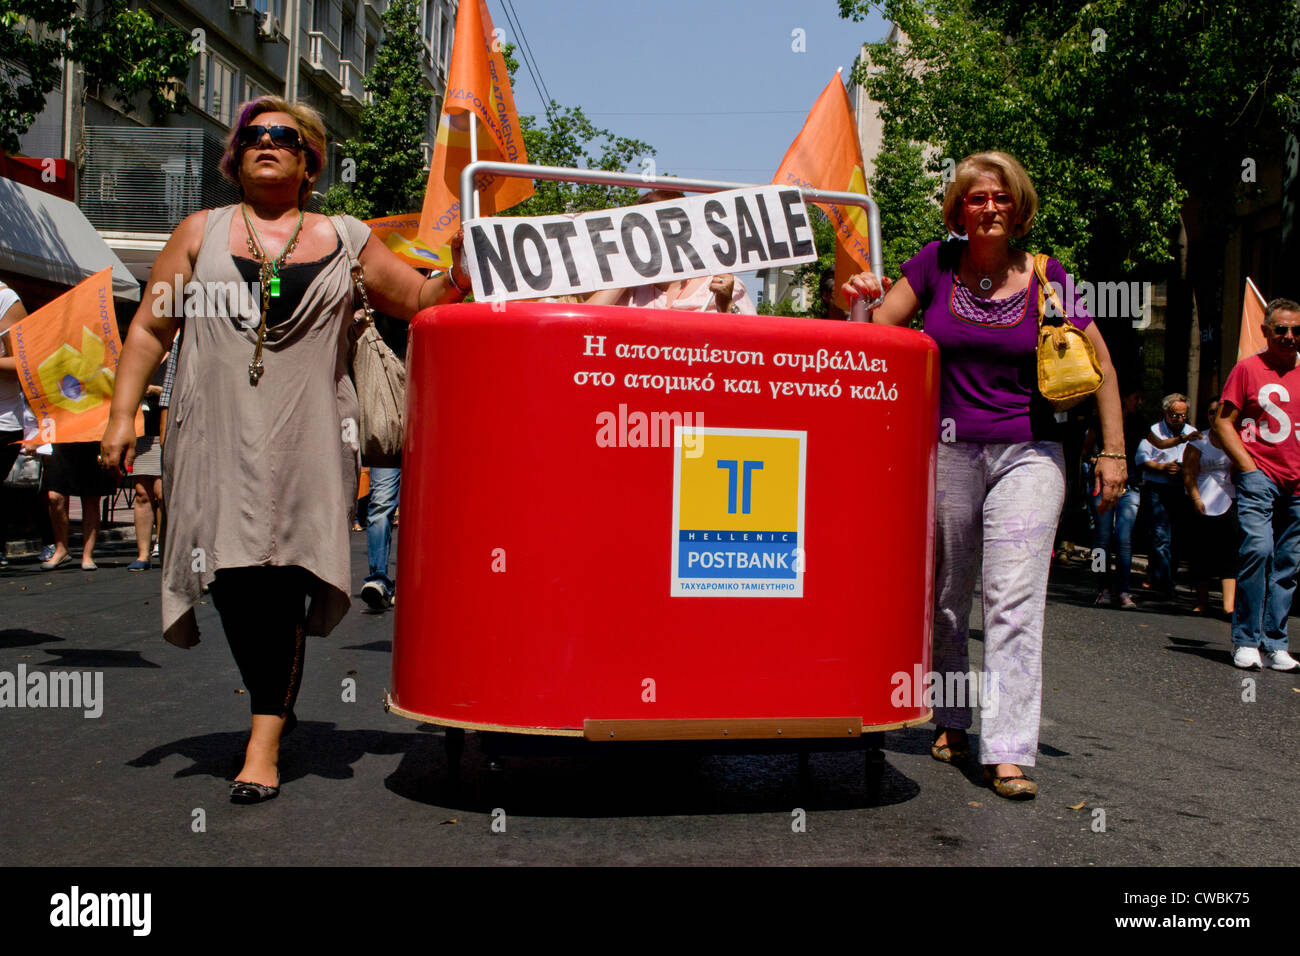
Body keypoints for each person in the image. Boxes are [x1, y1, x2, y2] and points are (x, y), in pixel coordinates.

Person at [100, 95, 470, 804]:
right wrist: (123, 415)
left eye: (286, 136)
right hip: (211, 436)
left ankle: (263, 736)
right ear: (234, 157)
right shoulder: (198, 233)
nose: (268, 143)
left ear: (309, 161)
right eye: (255, 136)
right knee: (232, 579)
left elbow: (422, 303)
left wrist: (459, 271)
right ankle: (276, 698)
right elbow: (150, 329)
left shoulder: (345, 237)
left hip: (309, 438)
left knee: (280, 578)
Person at [842, 151, 1126, 799]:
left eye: (1001, 197)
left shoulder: (1050, 277)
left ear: (1018, 207)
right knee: (947, 597)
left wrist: (1114, 452)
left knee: (1014, 598)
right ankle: (951, 718)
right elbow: (878, 334)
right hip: (945, 451)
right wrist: (860, 302)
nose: (989, 207)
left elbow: (1101, 362)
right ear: (959, 209)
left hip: (1031, 451)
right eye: (976, 198)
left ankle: (1009, 750)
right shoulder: (933, 265)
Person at [1215, 297, 1300, 672]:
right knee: (1259, 550)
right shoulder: (1247, 369)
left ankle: (1275, 643)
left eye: (1296, 330)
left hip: (1297, 482)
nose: (1288, 336)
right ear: (1265, 331)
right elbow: (1222, 422)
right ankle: (1246, 640)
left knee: (1289, 563)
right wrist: (1248, 468)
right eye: (1280, 329)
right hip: (1260, 475)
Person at [584, 190, 757, 314]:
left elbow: (754, 346)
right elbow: (583, 325)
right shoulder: (630, 290)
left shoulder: (721, 285)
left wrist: (726, 304)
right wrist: (626, 274)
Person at [1083, 386, 1145, 608]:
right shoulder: (1098, 422)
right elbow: (1086, 449)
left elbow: (1159, 442)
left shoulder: (1139, 422)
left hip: (1129, 487)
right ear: (1123, 399)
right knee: (1101, 540)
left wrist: (1184, 438)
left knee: (1123, 539)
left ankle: (1124, 591)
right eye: (1135, 397)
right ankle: (1102, 589)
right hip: (1101, 486)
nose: (1139, 402)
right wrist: (1094, 459)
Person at [1136, 393, 1199, 598]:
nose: (1179, 419)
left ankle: (1162, 576)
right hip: (1158, 486)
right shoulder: (1154, 431)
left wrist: (1184, 469)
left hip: (1181, 489)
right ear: (1166, 413)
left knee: (1177, 538)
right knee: (1160, 536)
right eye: (1175, 415)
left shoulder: (1192, 433)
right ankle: (1164, 583)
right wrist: (1162, 467)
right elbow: (1142, 458)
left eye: (1183, 416)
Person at [1182, 399, 1237, 616]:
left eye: (1219, 412)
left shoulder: (1236, 439)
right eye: (1211, 412)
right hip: (1203, 499)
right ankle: (1202, 601)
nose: (1215, 416)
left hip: (1230, 498)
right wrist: (1195, 498)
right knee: (1201, 553)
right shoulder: (1198, 441)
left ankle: (1229, 605)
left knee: (1231, 552)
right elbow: (1189, 474)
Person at [128, 358, 168, 571]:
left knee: (162, 493)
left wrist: (155, 391)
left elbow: (181, 392)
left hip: (165, 431)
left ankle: (161, 546)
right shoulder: (136, 354)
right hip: (140, 432)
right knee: (142, 493)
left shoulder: (176, 353)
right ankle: (142, 554)